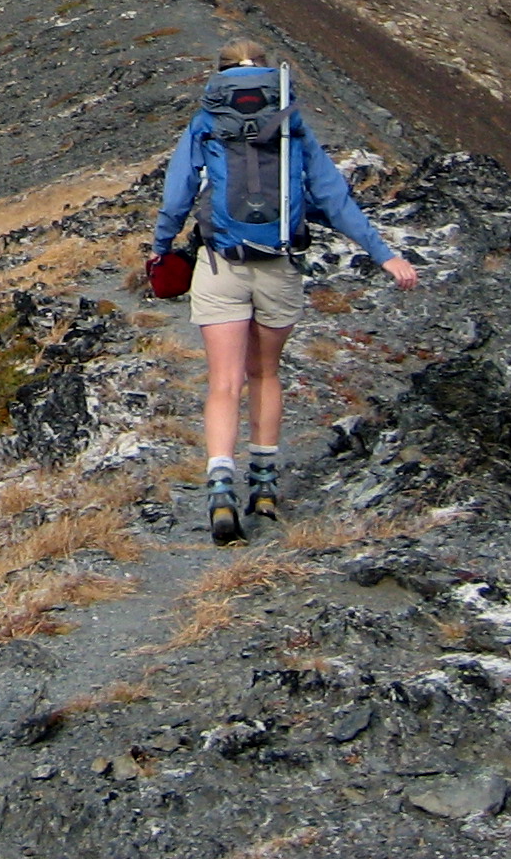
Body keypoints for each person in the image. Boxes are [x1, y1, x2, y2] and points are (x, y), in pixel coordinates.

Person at [150, 39, 418, 544]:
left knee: (224, 382)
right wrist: (384, 254)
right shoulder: (291, 122)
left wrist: (162, 248)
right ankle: (265, 487)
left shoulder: (207, 120)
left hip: (221, 263)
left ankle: (220, 488)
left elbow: (177, 193)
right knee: (265, 373)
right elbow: (333, 197)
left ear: (220, 74)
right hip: (278, 265)